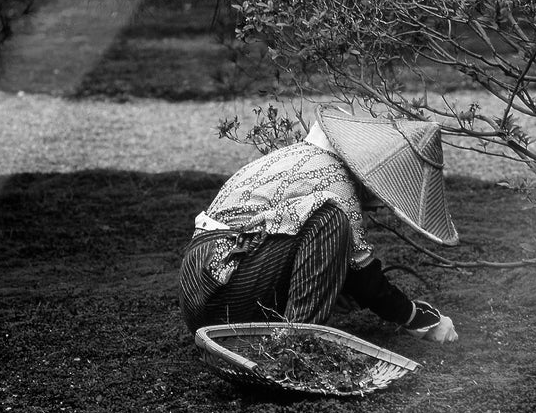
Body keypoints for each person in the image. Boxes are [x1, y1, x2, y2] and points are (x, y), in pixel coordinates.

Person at [179, 105, 459, 343]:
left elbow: (280, 238)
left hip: (197, 291)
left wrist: (337, 284)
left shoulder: (294, 156)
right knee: (331, 218)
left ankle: (271, 334)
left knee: (329, 238)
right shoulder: (336, 180)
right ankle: (291, 348)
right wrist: (415, 317)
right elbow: (365, 278)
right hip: (224, 287)